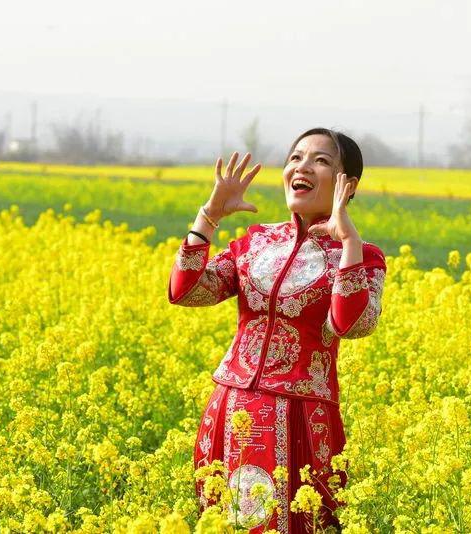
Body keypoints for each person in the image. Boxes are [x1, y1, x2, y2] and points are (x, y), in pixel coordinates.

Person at [167, 127, 387, 533]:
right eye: (295, 157)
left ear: (348, 185)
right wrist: (209, 215)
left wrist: (349, 241)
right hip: (230, 410)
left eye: (321, 160)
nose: (302, 166)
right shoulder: (255, 242)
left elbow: (350, 323)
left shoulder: (362, 256)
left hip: (302, 420)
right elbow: (186, 291)